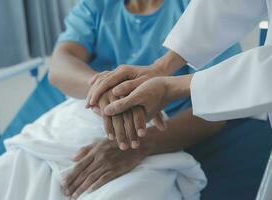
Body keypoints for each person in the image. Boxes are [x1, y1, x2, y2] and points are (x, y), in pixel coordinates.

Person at [47, 0, 264, 199]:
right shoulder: (97, 5)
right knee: (26, 166)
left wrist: (141, 144)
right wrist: (102, 87)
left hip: (159, 130)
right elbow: (59, 64)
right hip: (81, 118)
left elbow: (223, 97)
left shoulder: (185, 6)